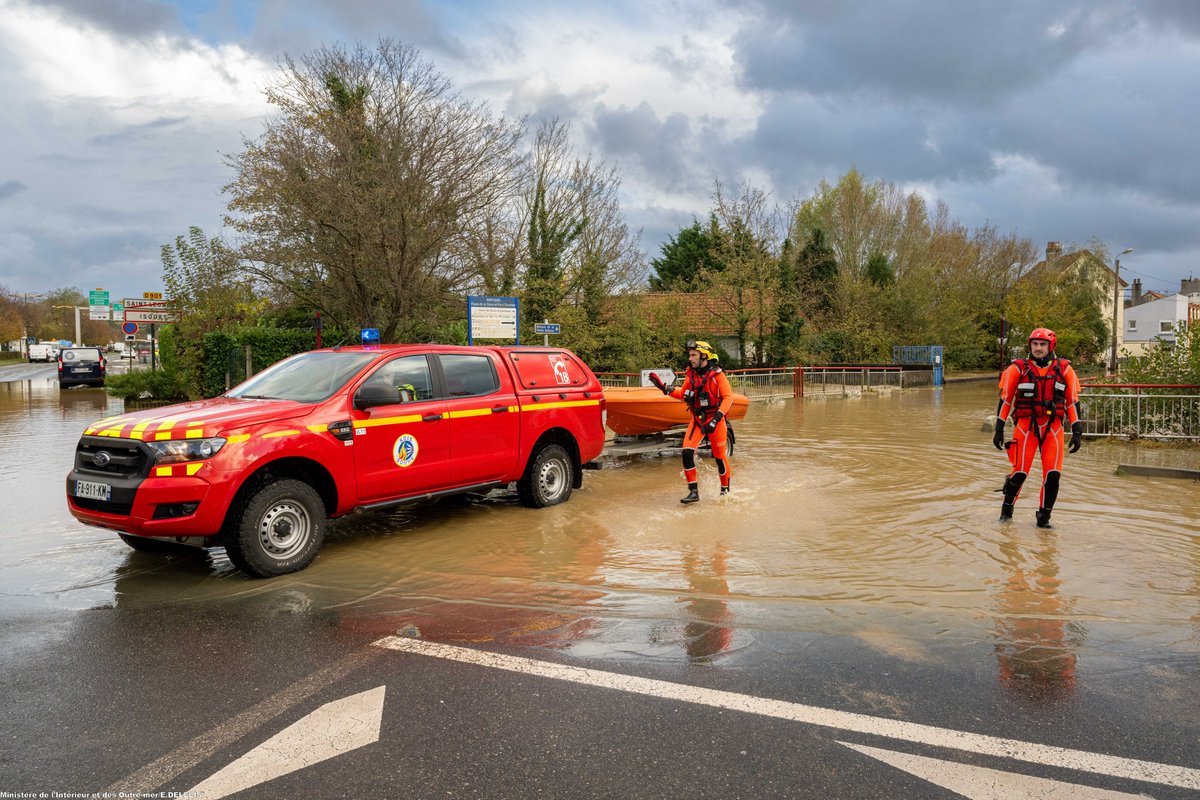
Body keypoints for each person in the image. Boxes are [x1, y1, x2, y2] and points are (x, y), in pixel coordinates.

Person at [993, 327, 1083, 528]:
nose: (1038, 348)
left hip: (1053, 428)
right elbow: (1006, 400)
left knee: (1053, 475)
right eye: (1035, 344)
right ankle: (1006, 514)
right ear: (1030, 345)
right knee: (1019, 473)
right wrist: (999, 429)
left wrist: (1077, 432)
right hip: (1026, 428)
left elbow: (1072, 402)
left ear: (1051, 346)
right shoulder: (1017, 369)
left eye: (1042, 344)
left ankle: (1043, 520)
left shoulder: (1065, 369)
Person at [649, 340, 734, 504]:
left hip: (715, 419)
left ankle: (725, 491)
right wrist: (664, 388)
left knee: (719, 457)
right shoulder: (691, 374)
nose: (690, 358)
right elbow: (683, 394)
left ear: (704, 356)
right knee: (687, 452)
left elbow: (728, 398)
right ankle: (693, 492)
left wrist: (716, 419)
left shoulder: (717, 375)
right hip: (698, 419)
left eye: (694, 355)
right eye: (690, 355)